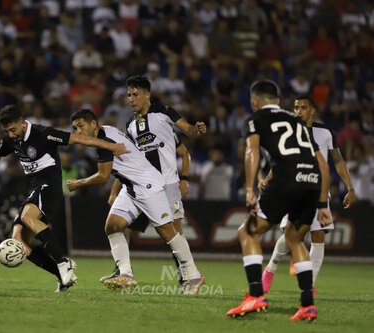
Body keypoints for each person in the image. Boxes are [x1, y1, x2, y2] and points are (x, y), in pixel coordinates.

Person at [0, 105, 128, 292]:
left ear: (23, 123)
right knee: (19, 240)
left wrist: (112, 146)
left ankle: (63, 261)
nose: (10, 135)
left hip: (49, 187)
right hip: (35, 187)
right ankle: (61, 275)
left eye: (13, 130)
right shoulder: (11, 140)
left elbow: (79, 139)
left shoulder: (43, 134)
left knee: (28, 217)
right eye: (6, 131)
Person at [226, 81, 332, 321]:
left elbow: (251, 150)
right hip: (312, 182)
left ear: (254, 102)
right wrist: (323, 205)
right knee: (295, 239)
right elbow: (323, 165)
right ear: (278, 100)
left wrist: (250, 188)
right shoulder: (299, 122)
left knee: (248, 232)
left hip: (286, 179)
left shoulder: (255, 120)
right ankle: (308, 305)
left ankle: (255, 294)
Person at [66, 109, 199, 293]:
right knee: (113, 225)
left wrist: (77, 183)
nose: (78, 132)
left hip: (148, 186)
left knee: (168, 232)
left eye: (81, 126)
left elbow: (104, 176)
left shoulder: (104, 142)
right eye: (75, 128)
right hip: (132, 187)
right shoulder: (107, 131)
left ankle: (193, 275)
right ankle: (125, 274)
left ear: (93, 124)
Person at [99, 75, 206, 294]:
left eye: (135, 94)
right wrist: (114, 190)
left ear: (147, 94)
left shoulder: (164, 113)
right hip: (140, 185)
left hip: (167, 184)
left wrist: (197, 130)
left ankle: (189, 276)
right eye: (129, 95)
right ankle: (123, 270)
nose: (131, 99)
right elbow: (128, 161)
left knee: (172, 231)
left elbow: (188, 131)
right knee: (119, 225)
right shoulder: (129, 125)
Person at [261, 95, 357, 293]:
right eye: (296, 107)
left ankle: (309, 285)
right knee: (291, 235)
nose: (298, 111)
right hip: (292, 188)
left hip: (317, 190)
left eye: (303, 108)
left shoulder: (325, 132)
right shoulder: (287, 130)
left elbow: (337, 160)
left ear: (312, 110)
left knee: (318, 235)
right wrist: (268, 179)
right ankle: (270, 268)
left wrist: (350, 187)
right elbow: (281, 159)